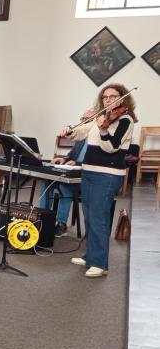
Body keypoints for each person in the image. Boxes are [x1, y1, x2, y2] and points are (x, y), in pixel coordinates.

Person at [59, 83, 137, 278]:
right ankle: (91, 256)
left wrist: (103, 128)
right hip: (89, 172)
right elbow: (81, 132)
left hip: (108, 175)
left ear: (122, 98)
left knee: (99, 218)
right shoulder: (101, 117)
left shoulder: (125, 120)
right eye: (105, 97)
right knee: (89, 217)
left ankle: (100, 263)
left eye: (113, 96)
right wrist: (69, 130)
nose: (108, 100)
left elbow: (111, 147)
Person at [38, 138, 87, 237]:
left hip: (84, 179)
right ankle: (43, 218)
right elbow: (71, 154)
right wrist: (64, 159)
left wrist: (78, 163)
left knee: (65, 186)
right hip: (72, 173)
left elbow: (96, 163)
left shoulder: (98, 139)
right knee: (46, 183)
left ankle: (61, 223)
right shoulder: (82, 138)